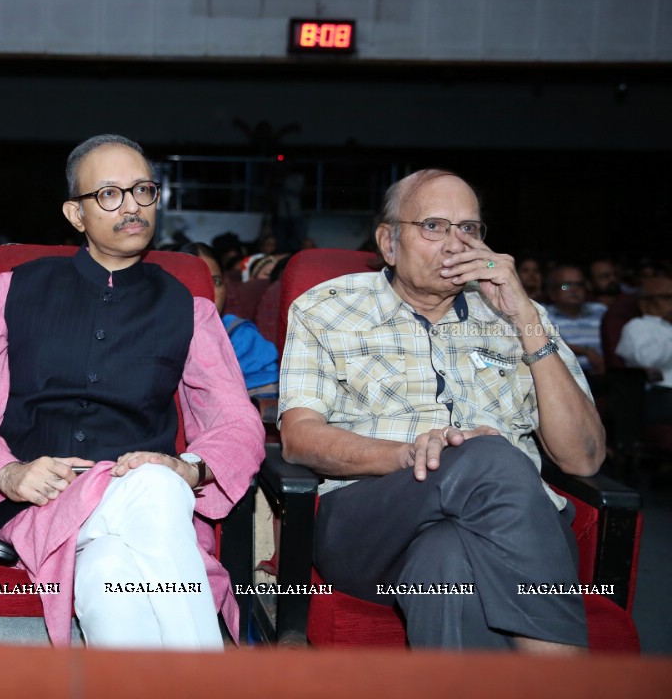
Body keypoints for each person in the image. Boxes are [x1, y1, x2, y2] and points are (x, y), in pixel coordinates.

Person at [0, 134, 264, 650]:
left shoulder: (185, 305)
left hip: (142, 506)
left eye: (142, 191)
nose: (131, 206)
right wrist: (9, 472)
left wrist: (189, 469)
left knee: (110, 571)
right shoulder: (16, 289)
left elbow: (239, 424)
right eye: (109, 194)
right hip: (40, 502)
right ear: (76, 213)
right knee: (155, 490)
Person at [278, 168, 604, 652]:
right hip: (370, 518)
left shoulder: (518, 315)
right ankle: (563, 678)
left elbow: (584, 459)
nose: (456, 245)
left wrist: (527, 322)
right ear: (389, 243)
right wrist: (410, 454)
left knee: (445, 560)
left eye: (469, 229)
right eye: (433, 226)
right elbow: (299, 436)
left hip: (508, 529)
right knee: (488, 455)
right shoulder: (327, 309)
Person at [182, 242, 279, 414]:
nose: (207, 291)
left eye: (216, 282)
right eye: (193, 282)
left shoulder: (240, 336)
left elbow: (267, 397)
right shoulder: (152, 335)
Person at [615, 271, 672, 424]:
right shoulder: (637, 326)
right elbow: (648, 359)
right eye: (667, 298)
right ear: (644, 303)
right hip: (659, 393)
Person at [544, 264, 607, 377]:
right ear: (552, 293)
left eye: (579, 285)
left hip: (604, 376)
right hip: (562, 378)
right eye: (565, 286)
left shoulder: (600, 310)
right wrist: (585, 351)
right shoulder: (542, 314)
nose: (574, 290)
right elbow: (541, 344)